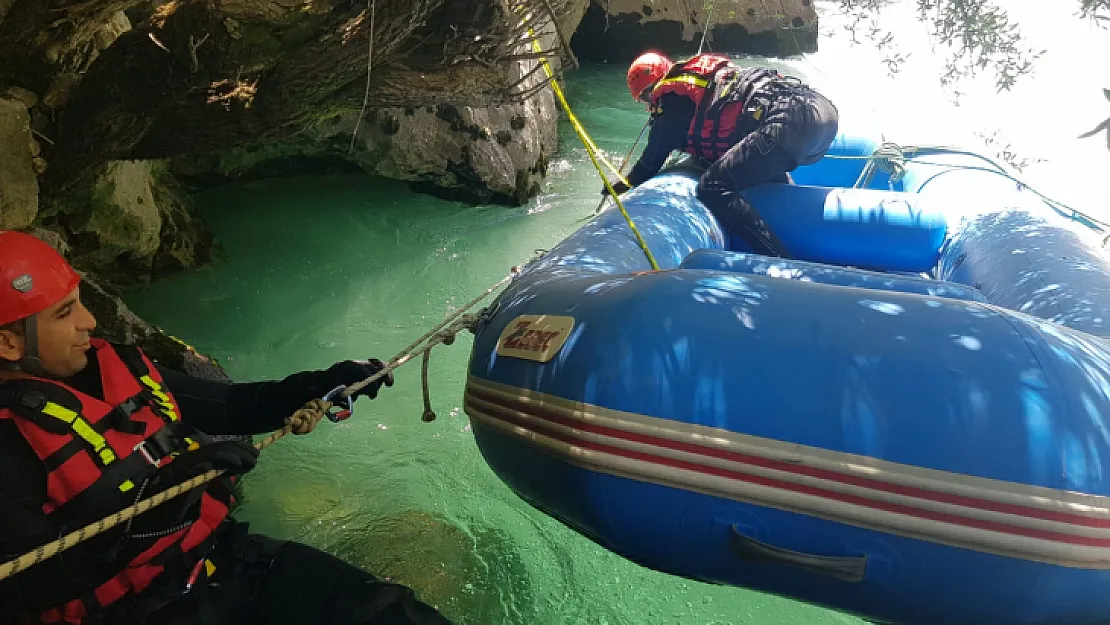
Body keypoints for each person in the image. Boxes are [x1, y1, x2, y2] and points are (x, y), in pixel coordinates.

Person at [0, 230, 453, 625]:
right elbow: (25, 586)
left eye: (79, 303)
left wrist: (319, 384)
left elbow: (230, 406)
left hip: (220, 564)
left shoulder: (113, 363)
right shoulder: (7, 438)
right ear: (8, 341)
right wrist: (153, 511)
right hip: (124, 613)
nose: (89, 321)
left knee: (384, 611)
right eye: (63, 314)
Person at [604, 51, 840, 257]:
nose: (649, 104)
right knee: (755, 170)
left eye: (646, 98)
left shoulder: (671, 102)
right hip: (820, 113)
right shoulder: (707, 79)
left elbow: (650, 162)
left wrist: (618, 185)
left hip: (789, 122)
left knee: (713, 186)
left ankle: (778, 258)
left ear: (651, 90)